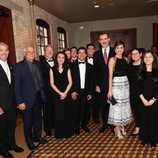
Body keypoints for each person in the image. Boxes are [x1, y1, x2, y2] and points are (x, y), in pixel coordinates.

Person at [14, 45, 47, 151]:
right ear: (25, 52)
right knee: (28, 122)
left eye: (33, 52)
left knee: (38, 119)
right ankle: (29, 141)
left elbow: (41, 80)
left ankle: (37, 136)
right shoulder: (18, 66)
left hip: (38, 96)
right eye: (29, 52)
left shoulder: (38, 63)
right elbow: (16, 86)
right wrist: (20, 102)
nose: (31, 54)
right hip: (26, 100)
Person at [0, 42, 24, 158]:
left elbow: (13, 86)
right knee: (1, 128)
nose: (4, 53)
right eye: (1, 50)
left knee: (11, 126)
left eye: (6, 50)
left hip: (12, 103)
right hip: (1, 105)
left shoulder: (10, 66)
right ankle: (3, 149)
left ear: (9, 52)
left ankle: (11, 144)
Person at [107, 41, 132, 139]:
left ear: (124, 48)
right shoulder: (112, 59)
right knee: (116, 107)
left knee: (124, 106)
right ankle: (116, 128)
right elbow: (110, 76)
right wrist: (110, 90)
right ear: (114, 49)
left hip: (126, 85)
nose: (120, 49)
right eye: (117, 47)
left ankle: (121, 126)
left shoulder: (126, 59)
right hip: (116, 85)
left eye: (121, 47)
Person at [93, 32, 115, 133]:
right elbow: (96, 71)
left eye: (105, 38)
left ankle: (113, 125)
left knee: (113, 105)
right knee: (103, 106)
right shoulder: (96, 54)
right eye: (101, 39)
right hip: (101, 86)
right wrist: (97, 84)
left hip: (114, 85)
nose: (104, 41)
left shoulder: (115, 52)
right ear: (99, 41)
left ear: (109, 39)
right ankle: (105, 124)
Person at [70, 47, 94, 134]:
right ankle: (76, 126)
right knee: (75, 110)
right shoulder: (71, 66)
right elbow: (69, 80)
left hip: (86, 91)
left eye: (83, 52)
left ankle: (84, 125)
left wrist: (90, 92)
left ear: (86, 54)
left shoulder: (91, 67)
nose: (81, 54)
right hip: (75, 91)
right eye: (79, 52)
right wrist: (72, 91)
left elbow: (92, 81)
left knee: (84, 109)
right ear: (76, 54)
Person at [50, 51, 73, 138]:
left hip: (66, 94)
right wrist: (60, 93)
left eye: (63, 57)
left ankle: (67, 132)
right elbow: (52, 84)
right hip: (56, 95)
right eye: (59, 57)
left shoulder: (67, 68)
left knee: (66, 113)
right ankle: (59, 133)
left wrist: (65, 93)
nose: (61, 59)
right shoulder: (52, 69)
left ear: (65, 59)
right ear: (56, 58)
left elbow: (70, 82)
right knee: (58, 114)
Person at [137, 51, 158, 148]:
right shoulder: (140, 71)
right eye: (146, 57)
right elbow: (137, 87)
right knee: (144, 120)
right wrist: (143, 99)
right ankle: (144, 139)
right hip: (142, 100)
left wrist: (153, 99)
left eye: (150, 56)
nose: (148, 58)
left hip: (155, 100)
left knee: (154, 120)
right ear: (143, 59)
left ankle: (154, 140)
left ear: (153, 58)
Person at [39, 45, 54, 136]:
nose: (49, 52)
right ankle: (47, 128)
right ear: (44, 52)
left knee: (55, 108)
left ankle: (54, 125)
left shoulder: (57, 61)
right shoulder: (40, 62)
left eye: (51, 50)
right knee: (47, 110)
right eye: (47, 50)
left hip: (57, 90)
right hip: (46, 90)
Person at [128, 48, 142, 136]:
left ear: (140, 54)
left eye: (136, 53)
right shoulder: (129, 66)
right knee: (137, 111)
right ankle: (137, 128)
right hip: (133, 93)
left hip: (144, 92)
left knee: (145, 111)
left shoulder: (145, 65)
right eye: (132, 54)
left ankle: (146, 128)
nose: (134, 55)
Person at [86, 43, 95, 123]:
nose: (91, 50)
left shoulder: (98, 59)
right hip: (86, 85)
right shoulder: (83, 59)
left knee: (96, 102)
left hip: (96, 84)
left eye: (92, 48)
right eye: (89, 48)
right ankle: (87, 119)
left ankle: (96, 119)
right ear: (87, 50)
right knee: (87, 103)